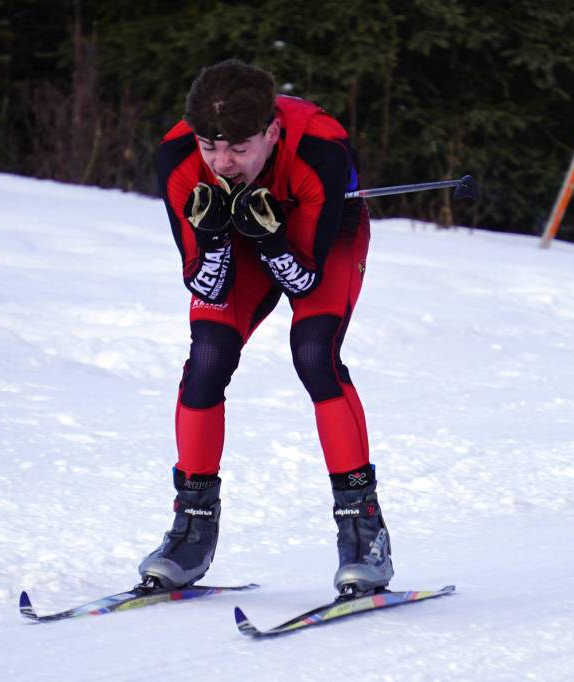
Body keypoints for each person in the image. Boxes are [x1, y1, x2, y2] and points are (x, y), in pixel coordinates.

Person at [139, 59, 392, 596]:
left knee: (314, 353)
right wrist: (211, 240)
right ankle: (193, 528)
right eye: (212, 147)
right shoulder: (180, 160)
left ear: (271, 131)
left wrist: (273, 240)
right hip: (237, 240)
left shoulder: (318, 150)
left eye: (238, 147)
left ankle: (362, 528)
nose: (222, 161)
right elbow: (205, 287)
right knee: (206, 361)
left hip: (320, 235)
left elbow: (304, 280)